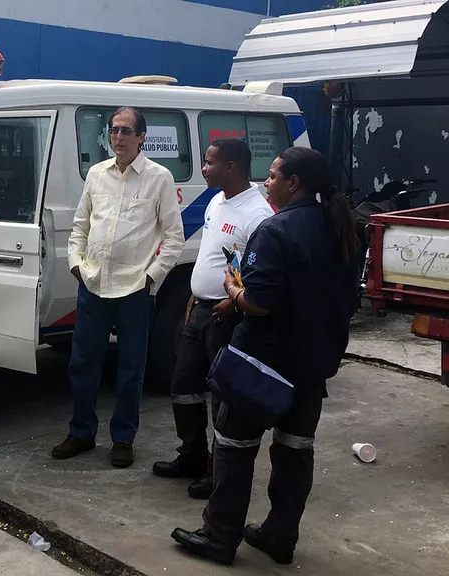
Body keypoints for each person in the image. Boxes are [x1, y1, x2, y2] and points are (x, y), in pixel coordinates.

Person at [171, 147, 359, 566]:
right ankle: (279, 535)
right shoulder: (343, 229)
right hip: (313, 363)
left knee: (234, 447)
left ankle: (220, 537)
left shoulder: (276, 231)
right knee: (294, 450)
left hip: (263, 364)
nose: (266, 182)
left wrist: (233, 290)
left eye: (273, 176)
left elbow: (259, 302)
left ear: (293, 183)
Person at [52, 107, 185, 468]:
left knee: (130, 369)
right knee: (82, 364)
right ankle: (81, 432)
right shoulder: (96, 174)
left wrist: (151, 278)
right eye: (114, 131)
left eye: (126, 131)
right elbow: (80, 225)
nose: (119, 137)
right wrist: (76, 264)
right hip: (93, 285)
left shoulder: (159, 178)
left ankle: (123, 439)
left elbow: (174, 237)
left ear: (141, 137)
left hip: (134, 291)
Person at [152, 139, 273, 498]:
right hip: (199, 309)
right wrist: (195, 293)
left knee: (220, 397)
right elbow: (214, 256)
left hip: (227, 316)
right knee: (183, 386)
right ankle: (191, 455)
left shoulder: (258, 214)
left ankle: (215, 472)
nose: (203, 169)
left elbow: (259, 275)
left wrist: (234, 305)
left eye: (208, 163)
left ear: (232, 166)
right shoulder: (217, 200)